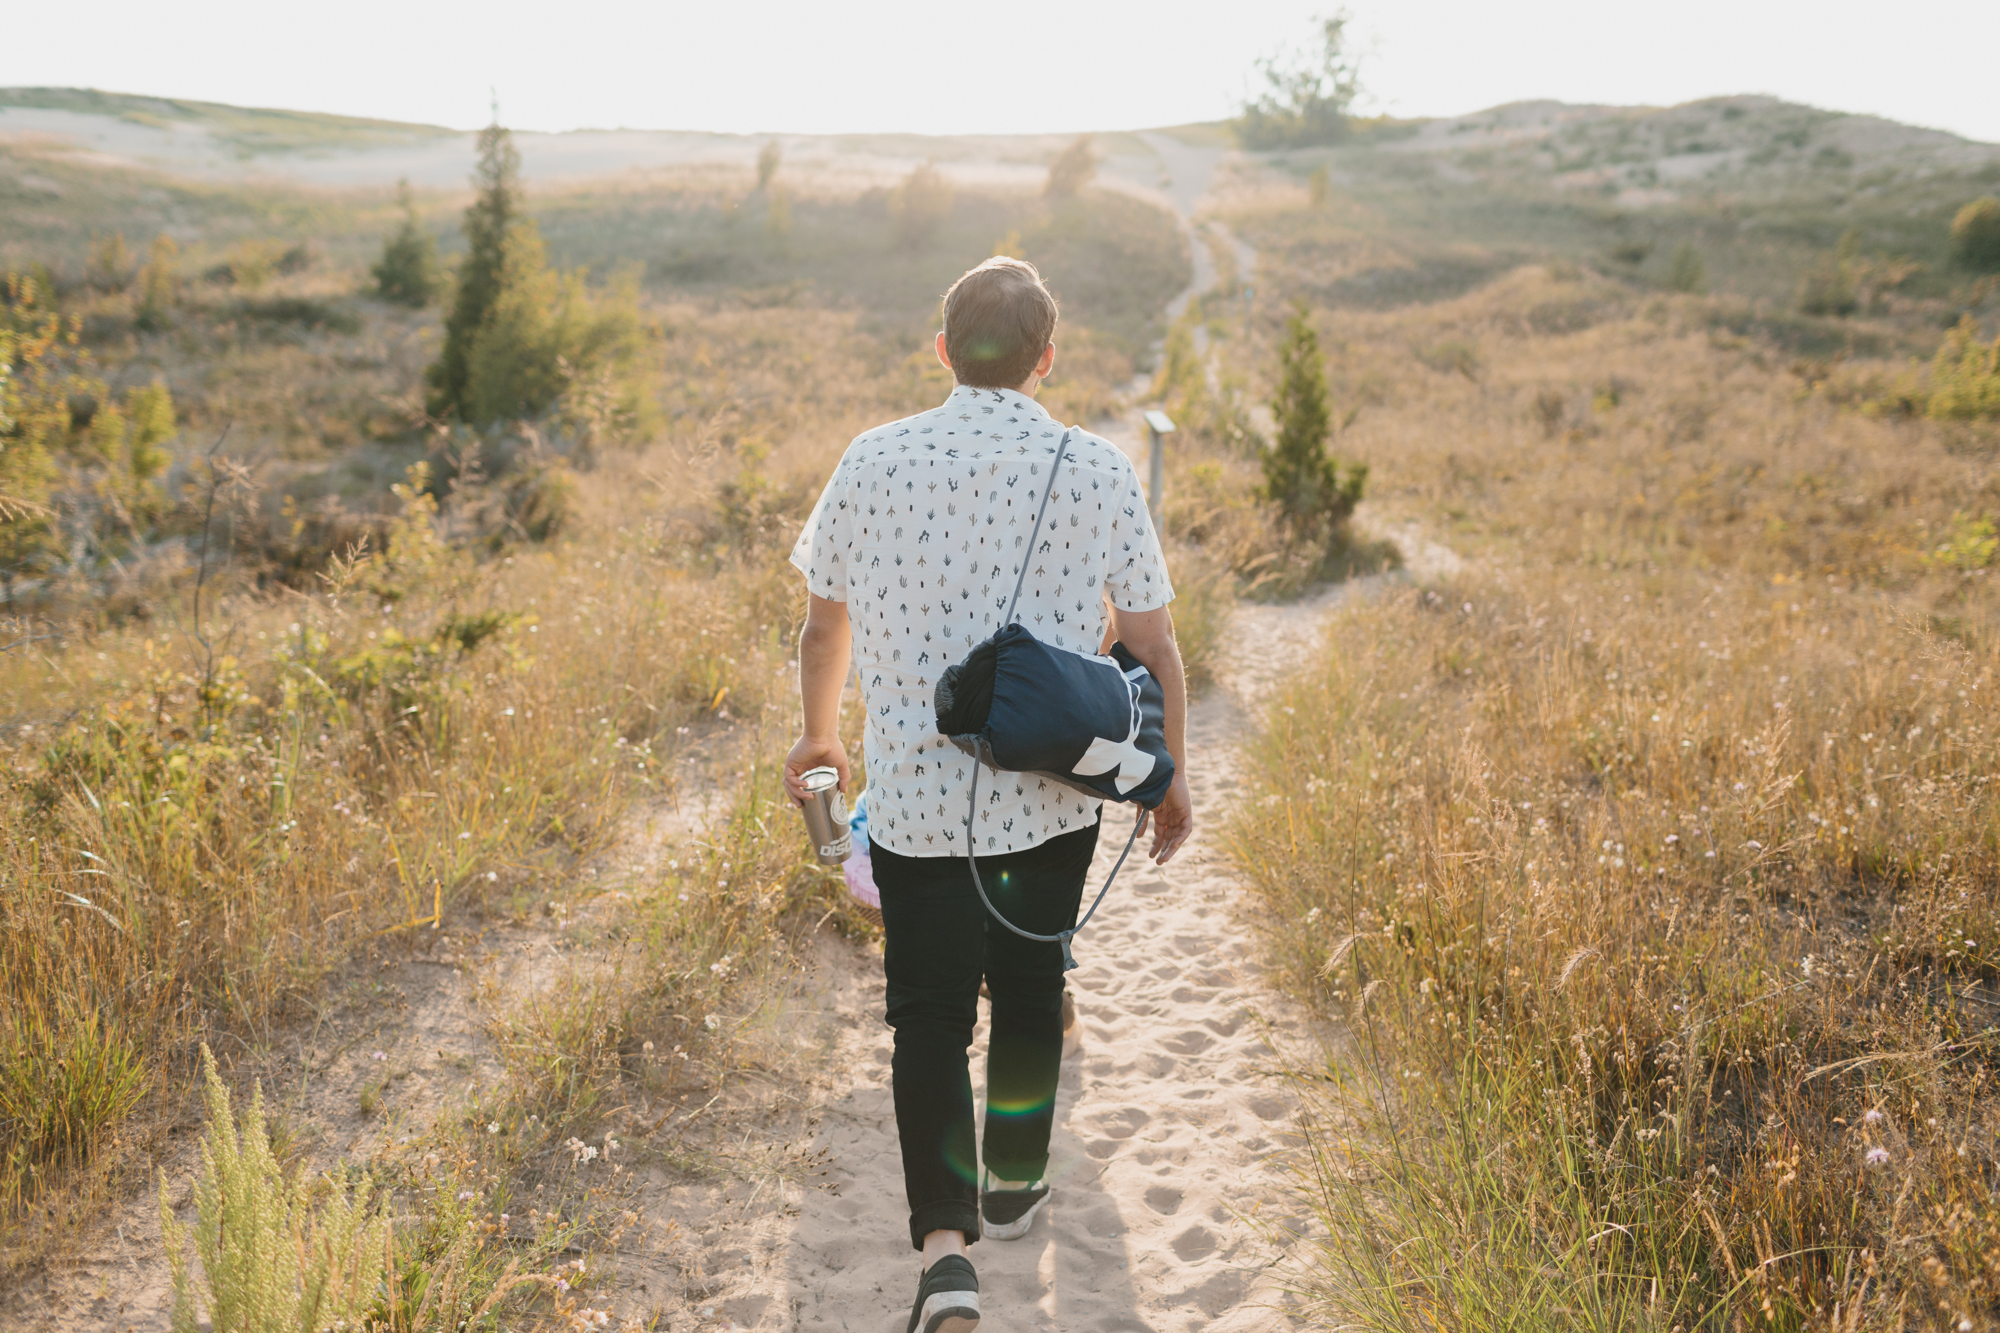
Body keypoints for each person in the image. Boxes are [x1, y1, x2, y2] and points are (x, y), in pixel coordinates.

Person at [784, 256, 1193, 1333]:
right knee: (1029, 980)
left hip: (914, 802)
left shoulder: (868, 460)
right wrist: (1169, 776)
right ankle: (1013, 1179)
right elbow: (1151, 645)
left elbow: (824, 624)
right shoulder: (1095, 466)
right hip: (1050, 798)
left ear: (940, 351)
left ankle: (946, 1256)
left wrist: (819, 736)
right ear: (1045, 357)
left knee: (923, 1020)